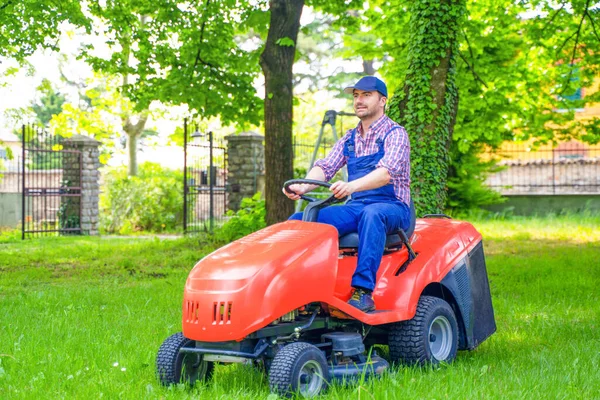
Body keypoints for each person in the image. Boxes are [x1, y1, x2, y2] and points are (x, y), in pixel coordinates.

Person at [283, 76, 411, 312]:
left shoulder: (395, 134)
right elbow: (325, 167)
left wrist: (351, 187)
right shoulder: (349, 139)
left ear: (382, 101)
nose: (359, 100)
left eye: (366, 95)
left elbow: (385, 174)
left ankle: (363, 292)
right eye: (355, 96)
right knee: (299, 223)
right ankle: (302, 291)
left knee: (372, 214)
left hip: (393, 206)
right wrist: (303, 187)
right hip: (358, 206)